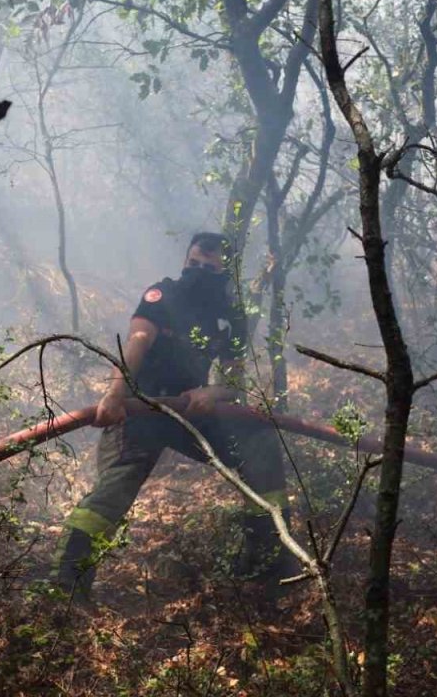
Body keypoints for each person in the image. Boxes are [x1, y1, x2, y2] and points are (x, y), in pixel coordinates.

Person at [48, 232, 294, 602]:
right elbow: (138, 342)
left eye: (209, 267)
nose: (198, 271)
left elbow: (232, 383)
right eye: (193, 263)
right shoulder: (161, 296)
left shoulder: (230, 315)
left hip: (188, 412)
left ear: (226, 271)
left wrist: (211, 392)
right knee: (116, 488)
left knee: (258, 445)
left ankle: (268, 562)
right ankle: (66, 585)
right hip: (140, 409)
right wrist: (115, 394)